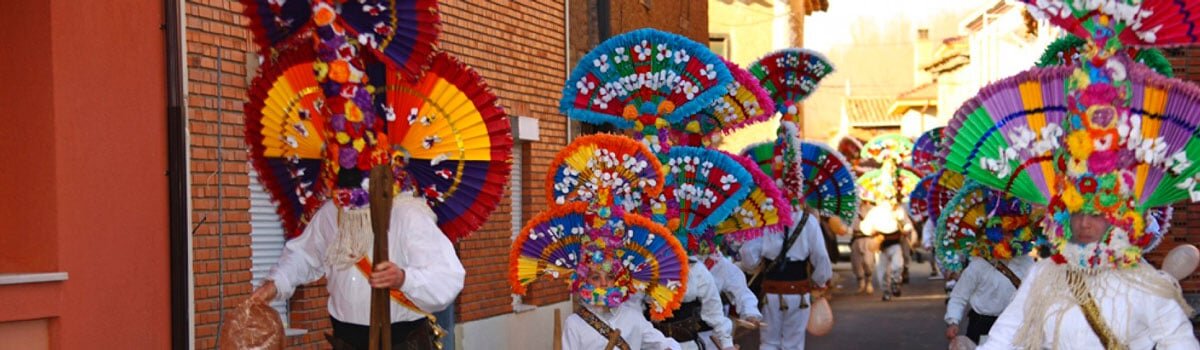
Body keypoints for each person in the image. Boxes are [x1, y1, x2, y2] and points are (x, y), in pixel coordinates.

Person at [250, 194, 465, 349]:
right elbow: (303, 256)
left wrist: (404, 279)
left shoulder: (407, 213)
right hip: (346, 341)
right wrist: (274, 285)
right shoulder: (331, 213)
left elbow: (447, 277)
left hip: (403, 341)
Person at [738, 209, 834, 350]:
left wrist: (753, 265)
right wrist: (819, 282)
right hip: (799, 292)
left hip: (771, 291)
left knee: (769, 342)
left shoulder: (764, 219)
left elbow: (748, 256)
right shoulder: (809, 220)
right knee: (794, 343)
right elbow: (821, 257)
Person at [943, 254, 1034, 344]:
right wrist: (953, 321)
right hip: (982, 325)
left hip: (1015, 325)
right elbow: (959, 296)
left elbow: (1035, 293)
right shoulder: (978, 265)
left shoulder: (1026, 262)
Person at [696, 246, 763, 350]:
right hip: (672, 337)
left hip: (711, 335)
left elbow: (742, 291)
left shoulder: (719, 263)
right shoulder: (670, 261)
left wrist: (750, 313)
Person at [861, 201, 904, 301]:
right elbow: (866, 227)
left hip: (895, 243)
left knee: (898, 265)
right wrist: (871, 231)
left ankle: (895, 282)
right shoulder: (874, 212)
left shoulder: (897, 210)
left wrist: (905, 228)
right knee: (882, 271)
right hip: (881, 245)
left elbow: (906, 223)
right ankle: (886, 291)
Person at [849, 204, 879, 294]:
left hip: (869, 238)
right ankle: (861, 284)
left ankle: (869, 282)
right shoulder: (851, 208)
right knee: (857, 263)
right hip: (856, 238)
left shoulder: (873, 210)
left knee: (868, 262)